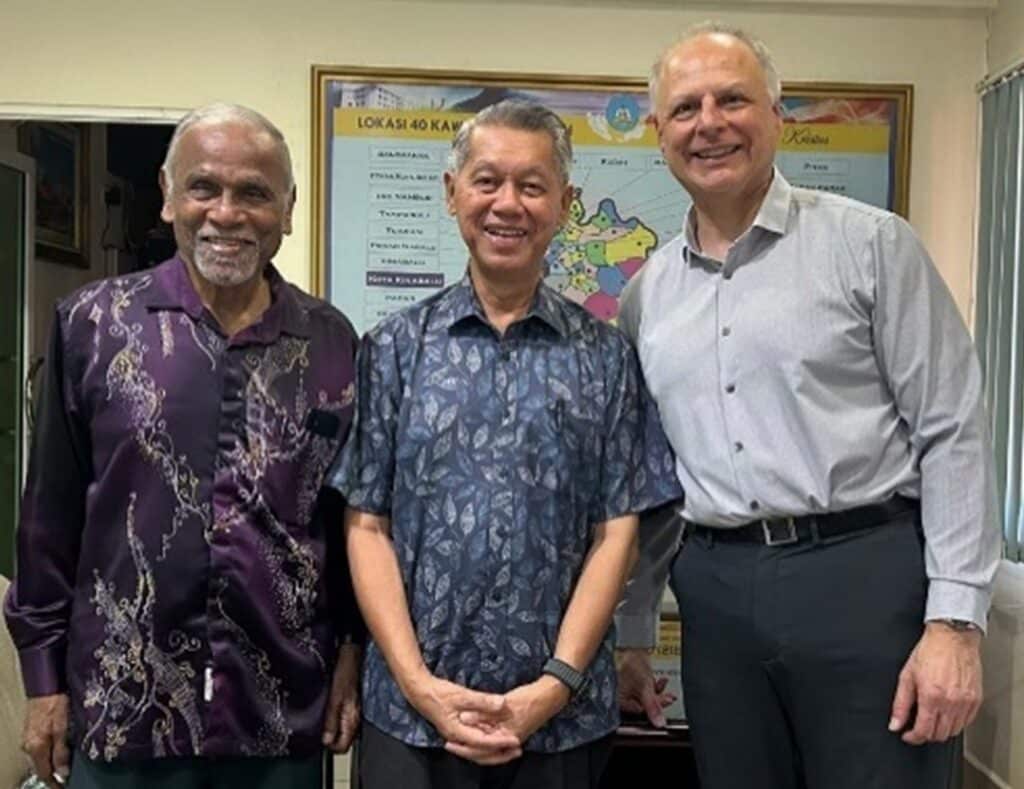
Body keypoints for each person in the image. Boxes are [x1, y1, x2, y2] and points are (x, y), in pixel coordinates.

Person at [614, 22, 1002, 789]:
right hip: (716, 596)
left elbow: (953, 431)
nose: (709, 123)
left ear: (777, 116)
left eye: (733, 100)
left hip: (866, 579)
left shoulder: (871, 247)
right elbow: (655, 480)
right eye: (686, 107)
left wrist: (956, 623)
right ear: (659, 132)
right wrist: (632, 631)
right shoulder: (645, 295)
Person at [4, 103, 363, 789]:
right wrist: (43, 681)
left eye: (254, 192)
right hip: (123, 706)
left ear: (288, 209)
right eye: (204, 187)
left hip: (279, 713)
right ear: (168, 197)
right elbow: (48, 521)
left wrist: (351, 650)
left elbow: (346, 522)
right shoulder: (93, 326)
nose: (226, 213)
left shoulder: (330, 342)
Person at [330, 99, 681, 789]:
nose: (507, 204)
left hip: (561, 722)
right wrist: (418, 684)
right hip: (411, 719)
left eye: (532, 185)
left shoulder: (606, 359)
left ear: (566, 204)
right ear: (452, 192)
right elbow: (367, 525)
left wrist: (553, 687)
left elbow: (617, 534)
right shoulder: (393, 350)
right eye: (487, 181)